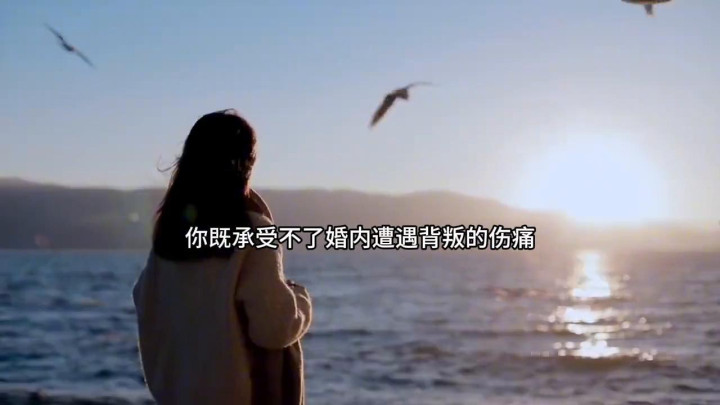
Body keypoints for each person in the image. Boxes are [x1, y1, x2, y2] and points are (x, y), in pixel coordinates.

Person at [132, 109, 312, 405]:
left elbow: (145, 302)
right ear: (244, 164)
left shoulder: (170, 233)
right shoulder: (253, 229)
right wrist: (300, 300)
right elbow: (274, 329)